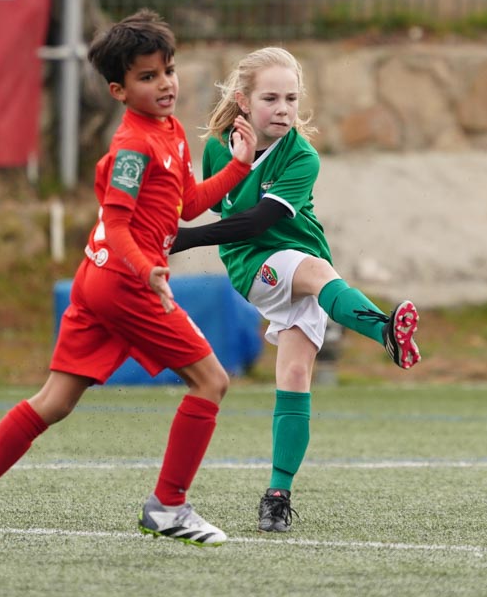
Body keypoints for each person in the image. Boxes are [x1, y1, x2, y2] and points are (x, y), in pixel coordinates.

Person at [0, 9, 257, 553]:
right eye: (147, 77)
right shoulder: (133, 145)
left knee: (54, 401)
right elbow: (122, 222)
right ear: (118, 90)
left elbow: (188, 204)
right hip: (125, 284)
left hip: (100, 279)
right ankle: (168, 506)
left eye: (168, 70)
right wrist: (146, 269)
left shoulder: (170, 132)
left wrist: (238, 167)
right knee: (212, 381)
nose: (165, 84)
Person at [168, 46, 421, 533]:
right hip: (254, 264)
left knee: (297, 374)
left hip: (301, 254)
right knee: (316, 276)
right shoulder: (222, 146)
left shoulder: (302, 156)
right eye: (270, 98)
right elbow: (229, 217)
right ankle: (385, 330)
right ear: (243, 101)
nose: (283, 108)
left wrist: (187, 238)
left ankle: (277, 496)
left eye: (291, 98)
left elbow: (264, 217)